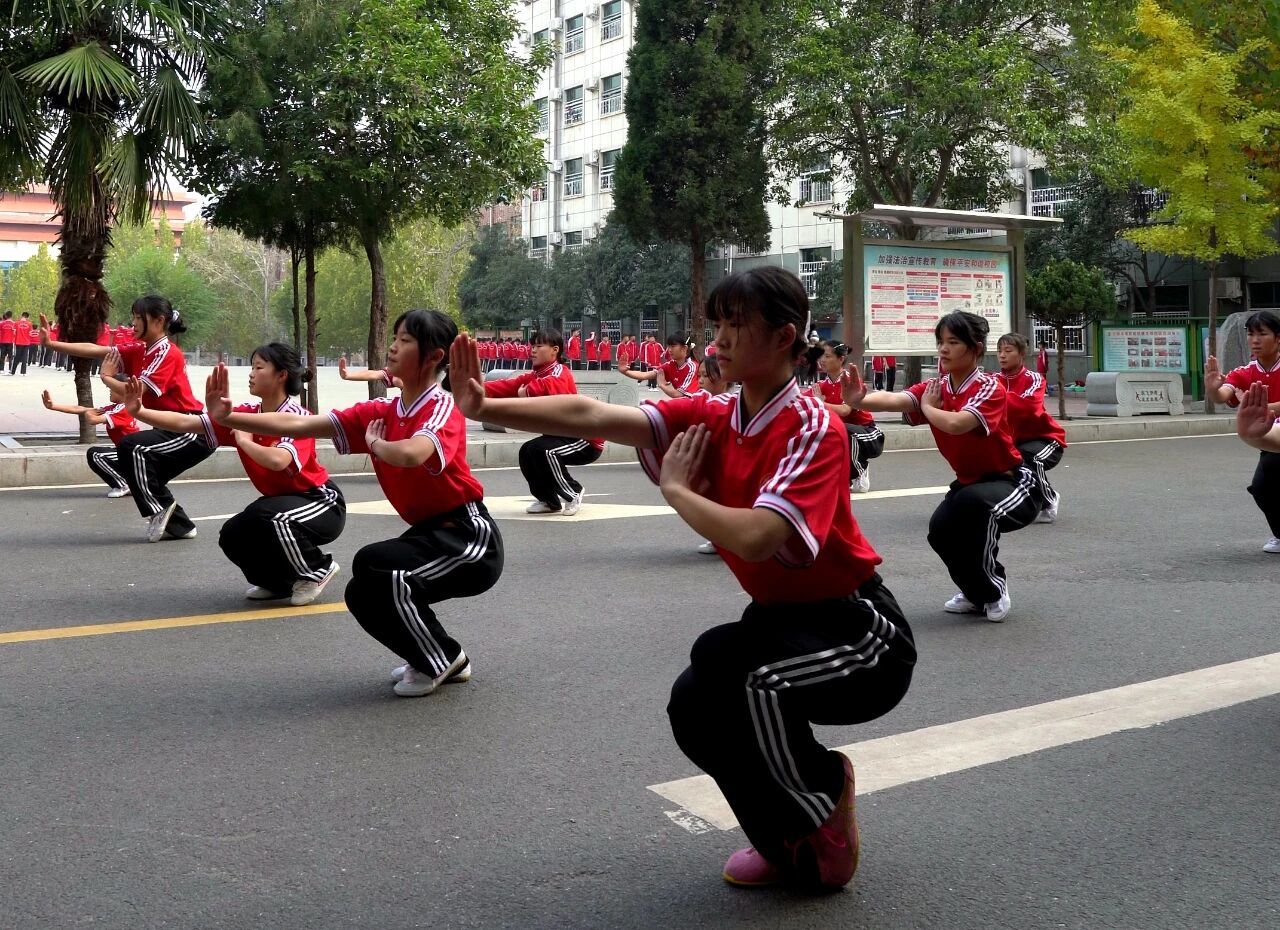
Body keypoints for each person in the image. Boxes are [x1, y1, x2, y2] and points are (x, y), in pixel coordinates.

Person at [449, 266, 915, 891]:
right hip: (784, 622)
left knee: (737, 669)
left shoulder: (812, 426)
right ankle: (781, 839)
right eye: (716, 325)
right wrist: (488, 404)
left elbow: (758, 535)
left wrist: (675, 490)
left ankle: (821, 803)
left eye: (735, 326)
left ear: (783, 337)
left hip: (860, 635)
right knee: (695, 702)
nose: (718, 340)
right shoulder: (717, 412)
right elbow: (593, 412)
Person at [207, 309, 503, 697]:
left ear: (434, 357)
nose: (393, 347)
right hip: (433, 534)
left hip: (469, 539)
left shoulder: (441, 407)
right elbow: (301, 424)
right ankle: (435, 654)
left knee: (383, 568)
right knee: (363, 587)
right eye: (394, 337)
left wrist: (380, 446)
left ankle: (440, 659)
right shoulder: (382, 412)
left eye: (406, 340)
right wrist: (231, 420)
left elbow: (415, 452)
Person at [846, 311, 1041, 623]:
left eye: (953, 342)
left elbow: (956, 424)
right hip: (971, 484)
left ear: (976, 348)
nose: (943, 349)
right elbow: (896, 399)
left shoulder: (990, 388)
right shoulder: (937, 388)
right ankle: (975, 593)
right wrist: (859, 399)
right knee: (940, 531)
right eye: (940, 342)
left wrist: (926, 408)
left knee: (973, 509)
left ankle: (994, 589)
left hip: (1013, 484)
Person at [124, 343, 347, 605]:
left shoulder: (297, 417)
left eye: (259, 367)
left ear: (281, 375)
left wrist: (244, 441)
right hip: (281, 505)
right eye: (251, 367)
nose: (251, 373)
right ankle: (277, 583)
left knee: (267, 516)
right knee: (234, 533)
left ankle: (318, 570)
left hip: (321, 503)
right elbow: (187, 422)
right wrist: (139, 411)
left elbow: (279, 460)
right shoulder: (246, 415)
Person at [40, 297, 212, 542]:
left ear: (158, 321)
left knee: (132, 448)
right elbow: (97, 350)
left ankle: (159, 510)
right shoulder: (140, 350)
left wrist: (107, 379)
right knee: (145, 473)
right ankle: (182, 526)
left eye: (138, 317)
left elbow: (137, 392)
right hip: (169, 428)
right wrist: (52, 344)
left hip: (190, 430)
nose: (132, 322)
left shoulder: (167, 353)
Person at [482, 328, 603, 515]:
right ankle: (548, 500)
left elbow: (540, 390)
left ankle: (573, 492)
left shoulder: (558, 373)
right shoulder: (537, 374)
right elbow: (510, 386)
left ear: (555, 350)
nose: (533, 350)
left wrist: (526, 394)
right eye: (532, 345)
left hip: (584, 439)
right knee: (527, 452)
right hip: (562, 435)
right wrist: (475, 388)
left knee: (545, 451)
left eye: (539, 346)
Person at [1205, 309, 1280, 552]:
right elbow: (1222, 395)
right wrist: (1213, 388)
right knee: (1261, 487)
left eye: (1262, 334)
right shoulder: (1244, 372)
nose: (1255, 340)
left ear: (1278, 338)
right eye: (1250, 334)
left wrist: (1262, 408)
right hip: (1268, 439)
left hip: (1270, 433)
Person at [996, 333, 1067, 523]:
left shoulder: (1034, 379)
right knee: (997, 463)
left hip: (1046, 440)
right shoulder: (993, 381)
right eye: (999, 351)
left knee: (1029, 457)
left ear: (1021, 354)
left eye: (1008, 351)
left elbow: (1029, 407)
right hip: (1015, 443)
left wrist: (997, 399)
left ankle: (1050, 498)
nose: (1002, 355)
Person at [811, 340, 884, 493]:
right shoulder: (821, 386)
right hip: (846, 434)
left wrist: (819, 403)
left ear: (841, 359)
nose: (822, 360)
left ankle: (860, 470)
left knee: (842, 429)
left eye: (827, 356)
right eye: (821, 356)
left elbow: (845, 410)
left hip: (868, 434)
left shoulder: (850, 381)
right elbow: (801, 400)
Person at [42, 386, 140, 497]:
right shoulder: (116, 408)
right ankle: (130, 484)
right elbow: (80, 408)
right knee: (97, 454)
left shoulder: (124, 409)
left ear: (123, 392)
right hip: (127, 452)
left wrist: (89, 413)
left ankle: (125, 485)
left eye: (113, 388)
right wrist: (52, 406)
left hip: (132, 454)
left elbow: (92, 419)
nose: (109, 390)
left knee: (95, 454)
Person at [619, 332, 699, 397]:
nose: (669, 350)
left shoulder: (693, 367)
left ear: (684, 348)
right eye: (668, 346)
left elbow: (678, 394)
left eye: (673, 346)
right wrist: (625, 371)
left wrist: (662, 385)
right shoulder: (670, 365)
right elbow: (645, 375)